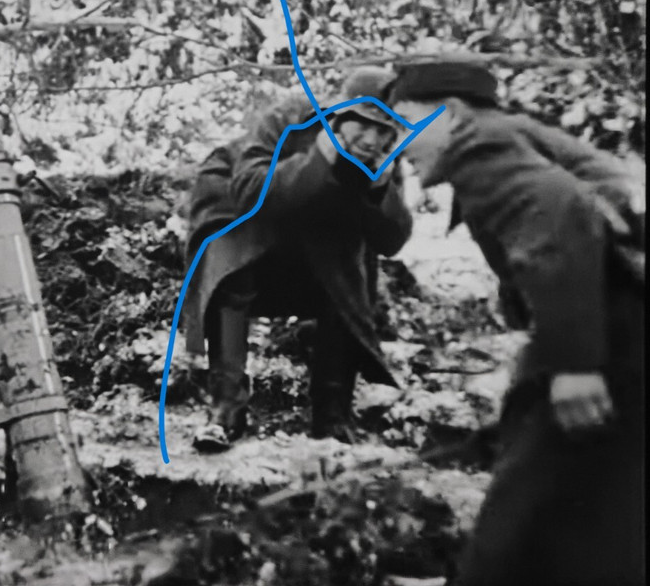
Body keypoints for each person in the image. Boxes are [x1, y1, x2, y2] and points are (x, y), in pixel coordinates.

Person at [388, 58, 645, 585]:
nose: (398, 145)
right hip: (618, 321)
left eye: (405, 124)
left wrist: (574, 362)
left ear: (452, 113)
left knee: (525, 514)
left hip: (618, 325)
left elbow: (556, 211)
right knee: (602, 501)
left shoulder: (480, 145)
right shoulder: (509, 137)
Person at [183, 68, 413, 452]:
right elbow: (250, 191)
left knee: (346, 270)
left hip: (317, 264)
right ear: (341, 114)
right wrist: (321, 159)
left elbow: (391, 239)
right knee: (230, 270)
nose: (372, 140)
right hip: (253, 241)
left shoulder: (385, 157)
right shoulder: (287, 121)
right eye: (364, 125)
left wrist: (379, 190)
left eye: (385, 130)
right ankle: (225, 409)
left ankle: (333, 417)